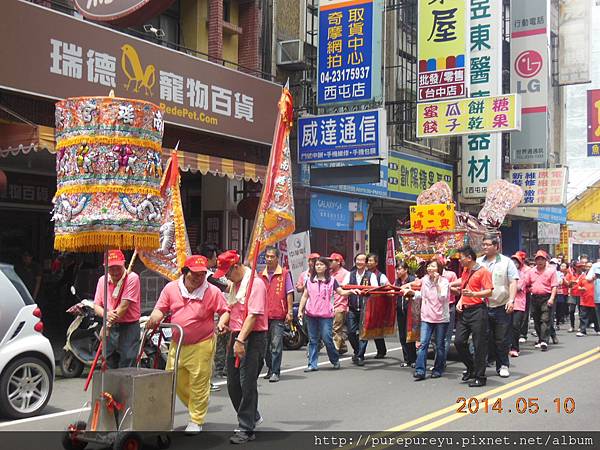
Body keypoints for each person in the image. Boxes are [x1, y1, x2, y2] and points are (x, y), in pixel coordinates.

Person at [145, 255, 229, 434]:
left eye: (202, 275)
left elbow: (224, 311)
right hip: (177, 343)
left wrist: (222, 322)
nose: (198, 278)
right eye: (195, 274)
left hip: (202, 343)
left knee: (198, 382)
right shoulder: (171, 288)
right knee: (175, 381)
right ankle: (198, 404)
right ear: (185, 272)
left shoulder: (212, 291)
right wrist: (154, 318)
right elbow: (161, 308)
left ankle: (196, 419)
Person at [213, 250, 268, 444]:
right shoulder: (235, 285)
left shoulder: (256, 283)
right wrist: (223, 321)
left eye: (228, 272)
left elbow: (253, 315)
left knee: (247, 383)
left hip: (252, 337)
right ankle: (251, 416)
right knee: (233, 384)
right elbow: (230, 308)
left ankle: (246, 428)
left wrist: (240, 341)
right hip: (236, 334)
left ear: (236, 266)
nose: (226, 277)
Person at [298, 257, 360, 372]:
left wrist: (351, 291)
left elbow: (341, 292)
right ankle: (312, 364)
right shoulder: (310, 280)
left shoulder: (332, 280)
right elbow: (305, 296)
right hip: (311, 314)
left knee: (327, 339)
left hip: (326, 315)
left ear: (326, 267)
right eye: (317, 265)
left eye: (321, 265)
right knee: (313, 340)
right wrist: (300, 311)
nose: (318, 267)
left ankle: (335, 359)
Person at [476, 235, 518, 378]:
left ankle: (503, 365)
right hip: (482, 305)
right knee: (482, 338)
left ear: (496, 246)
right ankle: (479, 367)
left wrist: (511, 300)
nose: (485, 247)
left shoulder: (507, 262)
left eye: (488, 244)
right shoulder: (478, 262)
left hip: (501, 305)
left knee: (501, 339)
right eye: (483, 245)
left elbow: (513, 282)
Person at [451, 246, 493, 387]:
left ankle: (480, 376)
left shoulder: (483, 272)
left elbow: (488, 291)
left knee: (479, 344)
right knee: (459, 342)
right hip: (465, 311)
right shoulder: (465, 271)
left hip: (478, 311)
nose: (459, 260)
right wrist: (462, 300)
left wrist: (474, 295)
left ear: (469, 258)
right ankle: (471, 367)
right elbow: (464, 287)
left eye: (461, 257)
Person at [93, 250, 141, 369]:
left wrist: (108, 324)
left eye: (118, 267)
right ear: (105, 267)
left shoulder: (132, 278)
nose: (115, 271)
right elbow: (96, 306)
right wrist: (107, 315)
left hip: (128, 326)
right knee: (107, 360)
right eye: (111, 268)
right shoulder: (102, 280)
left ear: (124, 264)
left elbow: (124, 306)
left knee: (127, 360)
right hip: (110, 324)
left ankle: (126, 387)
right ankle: (110, 387)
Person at [403, 260, 450, 380]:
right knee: (423, 344)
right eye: (429, 266)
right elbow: (422, 295)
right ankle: (420, 370)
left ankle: (438, 369)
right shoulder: (425, 280)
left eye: (433, 266)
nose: (430, 268)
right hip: (426, 317)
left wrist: (437, 283)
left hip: (441, 318)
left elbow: (443, 297)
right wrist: (412, 292)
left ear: (439, 269)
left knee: (439, 345)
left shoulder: (444, 282)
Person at [261, 246, 294, 383]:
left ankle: (275, 371)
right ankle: (270, 368)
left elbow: (289, 293)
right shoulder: (259, 274)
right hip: (262, 315)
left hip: (278, 314)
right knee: (264, 345)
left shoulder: (285, 273)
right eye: (267, 256)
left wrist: (290, 311)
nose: (269, 259)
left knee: (276, 344)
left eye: (272, 257)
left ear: (277, 258)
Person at [199, 243, 228, 388]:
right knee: (208, 351)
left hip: (209, 316)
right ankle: (206, 382)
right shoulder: (208, 276)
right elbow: (227, 287)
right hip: (209, 318)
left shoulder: (207, 274)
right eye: (215, 257)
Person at [343, 253, 379, 366]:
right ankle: (357, 351)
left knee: (364, 333)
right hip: (352, 307)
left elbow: (375, 288)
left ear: (366, 262)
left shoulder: (371, 275)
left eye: (362, 260)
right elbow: (343, 286)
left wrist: (365, 290)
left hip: (366, 307)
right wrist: (352, 289)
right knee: (351, 332)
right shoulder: (350, 274)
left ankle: (359, 356)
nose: (359, 262)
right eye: (357, 260)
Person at [521, 250, 558, 352]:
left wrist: (551, 298)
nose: (540, 261)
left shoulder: (551, 271)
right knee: (536, 319)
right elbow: (526, 283)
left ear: (546, 260)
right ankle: (541, 338)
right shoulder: (531, 272)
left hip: (547, 297)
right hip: (535, 298)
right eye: (538, 259)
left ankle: (544, 341)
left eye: (542, 259)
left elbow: (554, 286)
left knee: (545, 319)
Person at [366, 253, 390, 358]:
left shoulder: (381, 276)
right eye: (368, 261)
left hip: (377, 305)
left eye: (372, 261)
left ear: (376, 263)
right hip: (365, 304)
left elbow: (387, 287)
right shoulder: (363, 274)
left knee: (377, 328)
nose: (369, 263)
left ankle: (381, 350)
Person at [395, 261, 417, 368]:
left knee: (410, 335)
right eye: (397, 269)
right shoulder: (397, 281)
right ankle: (407, 359)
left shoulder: (413, 280)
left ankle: (413, 359)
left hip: (411, 311)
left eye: (399, 269)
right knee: (402, 336)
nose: (397, 271)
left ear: (406, 270)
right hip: (400, 310)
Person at [328, 253, 350, 354]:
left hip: (340, 305)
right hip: (329, 305)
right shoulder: (329, 273)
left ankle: (335, 350)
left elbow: (345, 289)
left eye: (332, 261)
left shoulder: (346, 274)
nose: (330, 263)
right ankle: (342, 346)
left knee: (335, 328)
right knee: (332, 328)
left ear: (338, 262)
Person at [509, 254, 528, 357]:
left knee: (515, 326)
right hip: (506, 302)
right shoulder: (505, 274)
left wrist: (508, 286)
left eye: (516, 262)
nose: (514, 264)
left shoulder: (522, 274)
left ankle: (515, 347)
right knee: (505, 327)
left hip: (518, 304)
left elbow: (518, 287)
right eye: (512, 261)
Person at [576, 262, 600, 336]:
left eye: (590, 267)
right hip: (584, 299)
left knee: (595, 316)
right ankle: (583, 331)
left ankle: (598, 329)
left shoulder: (597, 278)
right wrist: (581, 288)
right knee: (583, 316)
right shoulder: (582, 276)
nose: (588, 268)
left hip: (595, 300)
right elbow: (578, 286)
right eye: (587, 266)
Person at [565, 259, 584, 333]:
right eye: (578, 266)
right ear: (575, 267)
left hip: (581, 295)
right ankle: (572, 326)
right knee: (571, 311)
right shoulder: (571, 274)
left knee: (581, 311)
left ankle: (580, 326)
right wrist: (570, 283)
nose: (580, 268)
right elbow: (567, 284)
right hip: (573, 294)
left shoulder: (583, 275)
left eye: (581, 267)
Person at [585, 258, 600, 333]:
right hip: (596, 293)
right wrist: (593, 278)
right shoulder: (595, 266)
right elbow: (587, 278)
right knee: (597, 312)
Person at [555, 262, 569, 328]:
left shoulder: (560, 274)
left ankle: (558, 322)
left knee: (559, 308)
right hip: (550, 293)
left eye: (554, 264)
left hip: (560, 293)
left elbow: (561, 282)